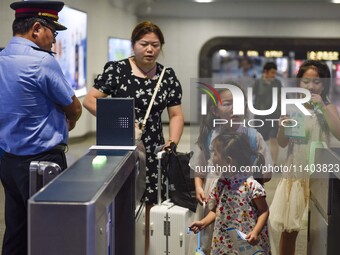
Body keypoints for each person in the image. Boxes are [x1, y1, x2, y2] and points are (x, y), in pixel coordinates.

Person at [82, 21, 184, 254]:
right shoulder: (117, 70)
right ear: (133, 44)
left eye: (155, 45)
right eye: (144, 44)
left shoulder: (166, 76)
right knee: (120, 200)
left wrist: (172, 141)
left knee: (150, 201)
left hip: (153, 148)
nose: (150, 49)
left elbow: (176, 114)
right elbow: (89, 100)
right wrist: (117, 117)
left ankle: (146, 249)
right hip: (120, 146)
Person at [0, 1, 82, 254]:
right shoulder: (41, 62)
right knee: (51, 229)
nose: (53, 40)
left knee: (16, 229)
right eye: (53, 32)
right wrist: (71, 120)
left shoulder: (2, 57)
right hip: (42, 163)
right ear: (37, 29)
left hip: (8, 161)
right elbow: (74, 107)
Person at [188, 84, 272, 254]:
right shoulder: (209, 136)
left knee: (246, 245)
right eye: (227, 103)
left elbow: (266, 172)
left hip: (245, 203)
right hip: (214, 196)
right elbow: (199, 167)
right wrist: (198, 186)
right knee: (212, 238)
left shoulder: (254, 136)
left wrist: (246, 182)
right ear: (214, 110)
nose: (234, 108)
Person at [269, 60, 340, 255]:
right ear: (299, 83)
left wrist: (322, 108)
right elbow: (282, 143)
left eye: (316, 82)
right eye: (305, 81)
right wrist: (282, 126)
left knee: (320, 230)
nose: (310, 86)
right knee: (289, 230)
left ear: (324, 84)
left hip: (319, 176)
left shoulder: (328, 107)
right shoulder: (293, 108)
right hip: (295, 176)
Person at [189, 133, 270, 254]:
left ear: (228, 161)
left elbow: (264, 210)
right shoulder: (220, 183)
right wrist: (203, 222)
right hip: (224, 241)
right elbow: (216, 210)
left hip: (247, 241)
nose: (212, 158)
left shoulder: (251, 186)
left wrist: (256, 232)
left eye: (215, 153)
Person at [253, 62, 282, 165]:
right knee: (260, 139)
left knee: (274, 138)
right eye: (272, 72)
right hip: (261, 115)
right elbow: (254, 96)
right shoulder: (258, 83)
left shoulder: (277, 83)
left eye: (275, 72)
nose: (274, 75)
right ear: (265, 72)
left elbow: (280, 97)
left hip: (275, 115)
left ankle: (273, 162)